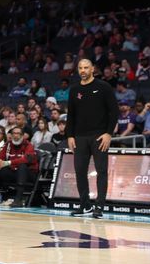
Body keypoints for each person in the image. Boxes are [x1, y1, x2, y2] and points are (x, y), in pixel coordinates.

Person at [65, 59, 118, 219]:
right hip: (79, 137)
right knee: (80, 171)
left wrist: (109, 133)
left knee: (101, 171)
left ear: (92, 69)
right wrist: (69, 135)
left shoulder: (103, 87)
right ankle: (85, 205)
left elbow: (114, 111)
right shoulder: (74, 89)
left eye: (86, 67)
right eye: (80, 68)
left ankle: (99, 207)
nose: (83, 70)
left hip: (99, 136)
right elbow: (71, 115)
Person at [0, 127, 39, 208]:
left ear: (22, 136)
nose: (15, 136)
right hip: (13, 172)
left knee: (22, 166)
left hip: (28, 174)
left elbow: (26, 159)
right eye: (13, 133)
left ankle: (18, 199)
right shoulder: (8, 144)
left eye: (18, 133)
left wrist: (8, 162)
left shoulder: (28, 145)